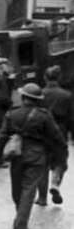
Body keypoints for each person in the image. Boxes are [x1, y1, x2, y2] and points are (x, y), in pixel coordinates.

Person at [0, 83, 67, 229]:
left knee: (16, 188)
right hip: (37, 156)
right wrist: (61, 153)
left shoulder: (12, 113)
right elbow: (56, 136)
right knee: (29, 188)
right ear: (38, 100)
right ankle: (21, 221)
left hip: (16, 154)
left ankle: (20, 216)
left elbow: (3, 134)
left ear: (23, 97)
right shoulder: (44, 115)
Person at [41, 66, 72, 205]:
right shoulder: (67, 95)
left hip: (42, 131)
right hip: (60, 130)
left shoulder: (40, 93)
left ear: (45, 78)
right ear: (58, 78)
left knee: (42, 163)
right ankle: (55, 183)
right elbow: (72, 117)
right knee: (60, 160)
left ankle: (41, 197)